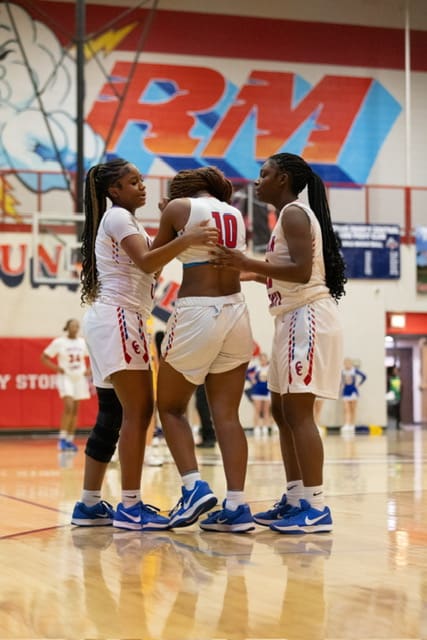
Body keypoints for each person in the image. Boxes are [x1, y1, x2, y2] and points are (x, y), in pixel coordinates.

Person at [71, 157, 218, 530]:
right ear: (114, 190)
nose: (142, 186)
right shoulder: (119, 217)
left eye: (141, 180)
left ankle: (89, 503)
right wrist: (186, 238)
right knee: (139, 412)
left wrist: (169, 227)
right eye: (134, 181)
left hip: (113, 319)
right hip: (119, 319)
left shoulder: (124, 220)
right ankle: (131, 506)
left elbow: (152, 264)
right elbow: (147, 261)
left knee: (112, 415)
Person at [211, 152, 347, 534]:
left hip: (308, 317)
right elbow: (289, 270)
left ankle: (316, 507)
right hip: (290, 318)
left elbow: (302, 272)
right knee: (281, 411)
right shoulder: (286, 216)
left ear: (283, 178)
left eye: (264, 174)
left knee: (299, 413)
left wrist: (248, 263)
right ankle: (296, 496)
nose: (257, 181)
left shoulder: (294, 214)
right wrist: (252, 275)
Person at [152, 165, 255, 533]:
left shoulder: (178, 208)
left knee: (170, 407)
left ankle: (193, 487)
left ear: (181, 189)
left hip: (198, 310)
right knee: (227, 415)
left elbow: (151, 259)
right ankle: (237, 505)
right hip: (237, 311)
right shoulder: (235, 213)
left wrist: (168, 215)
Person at [41, 318, 91, 451]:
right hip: (66, 377)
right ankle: (62, 439)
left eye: (77, 326)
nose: (75, 328)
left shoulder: (82, 342)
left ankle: (70, 439)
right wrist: (57, 368)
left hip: (79, 377)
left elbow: (93, 356)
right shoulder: (59, 342)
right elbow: (44, 357)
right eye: (72, 326)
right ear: (67, 327)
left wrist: (89, 370)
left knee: (75, 410)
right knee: (69, 406)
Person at [246, 352, 271, 436]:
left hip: (267, 391)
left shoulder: (270, 368)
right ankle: (256, 427)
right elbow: (246, 373)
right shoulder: (256, 368)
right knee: (257, 410)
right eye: (261, 359)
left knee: (266, 410)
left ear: (267, 359)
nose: (263, 361)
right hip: (257, 391)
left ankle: (265, 427)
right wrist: (251, 379)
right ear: (259, 360)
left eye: (264, 359)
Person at [340, 357, 367, 435]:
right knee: (346, 409)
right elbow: (339, 380)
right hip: (345, 391)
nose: (347, 365)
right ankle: (347, 423)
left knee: (353, 409)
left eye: (348, 363)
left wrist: (359, 384)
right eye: (345, 363)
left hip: (353, 392)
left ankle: (352, 424)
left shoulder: (354, 371)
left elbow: (364, 376)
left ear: (351, 364)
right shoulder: (342, 372)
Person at [387, 365, 402, 429]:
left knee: (397, 411)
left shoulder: (399, 378)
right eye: (394, 370)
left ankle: (398, 425)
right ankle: (390, 425)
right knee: (390, 412)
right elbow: (387, 388)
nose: (395, 371)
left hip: (397, 397)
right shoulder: (389, 378)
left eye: (396, 370)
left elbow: (401, 387)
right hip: (390, 397)